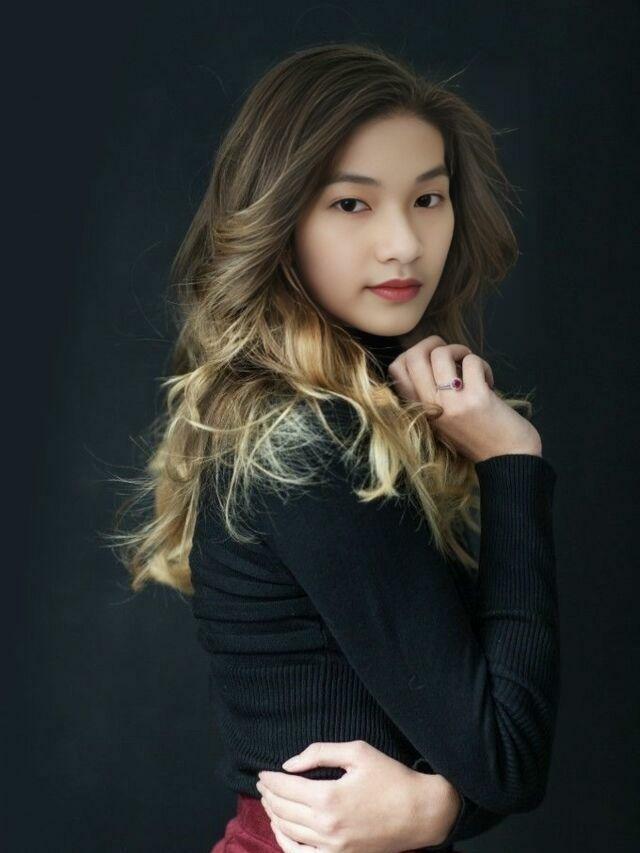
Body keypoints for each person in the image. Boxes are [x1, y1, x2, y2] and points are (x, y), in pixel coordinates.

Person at [110, 42, 560, 852]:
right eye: (352, 203)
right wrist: (512, 462)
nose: (404, 243)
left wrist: (439, 808)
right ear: (280, 219)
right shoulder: (307, 441)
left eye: (428, 198)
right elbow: (505, 758)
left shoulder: (348, 408)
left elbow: (475, 752)